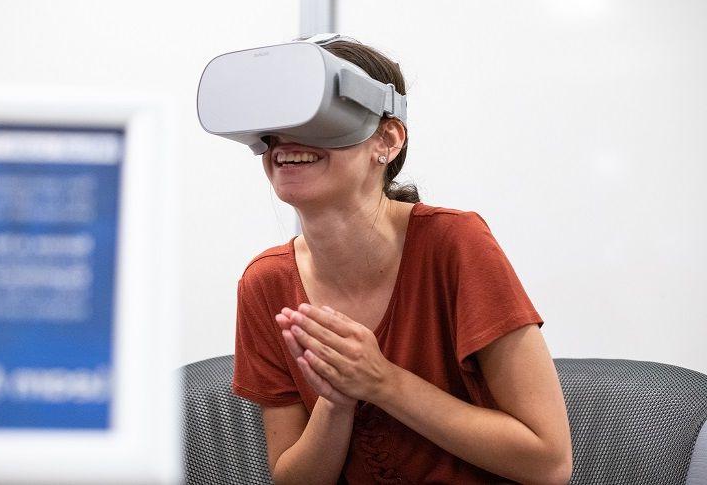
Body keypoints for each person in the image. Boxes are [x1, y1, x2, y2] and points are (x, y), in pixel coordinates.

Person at [231, 36, 573, 485]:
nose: (286, 140)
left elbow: (549, 464)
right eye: (277, 123)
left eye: (319, 118)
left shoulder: (455, 244)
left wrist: (381, 383)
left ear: (387, 140)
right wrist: (335, 402)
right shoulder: (266, 283)